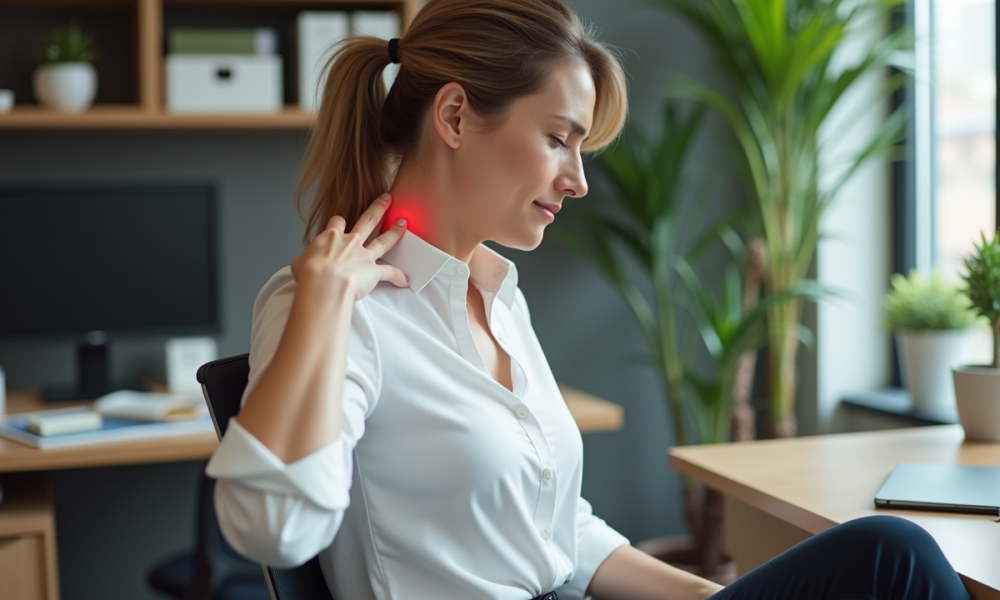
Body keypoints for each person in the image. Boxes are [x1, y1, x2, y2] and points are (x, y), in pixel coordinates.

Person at [204, 1, 975, 598]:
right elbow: (272, 528)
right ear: (454, 116)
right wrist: (319, 310)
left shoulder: (498, 298)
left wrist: (729, 595)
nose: (577, 178)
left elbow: (559, 536)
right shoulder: (341, 310)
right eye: (557, 138)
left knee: (880, 562)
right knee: (892, 558)